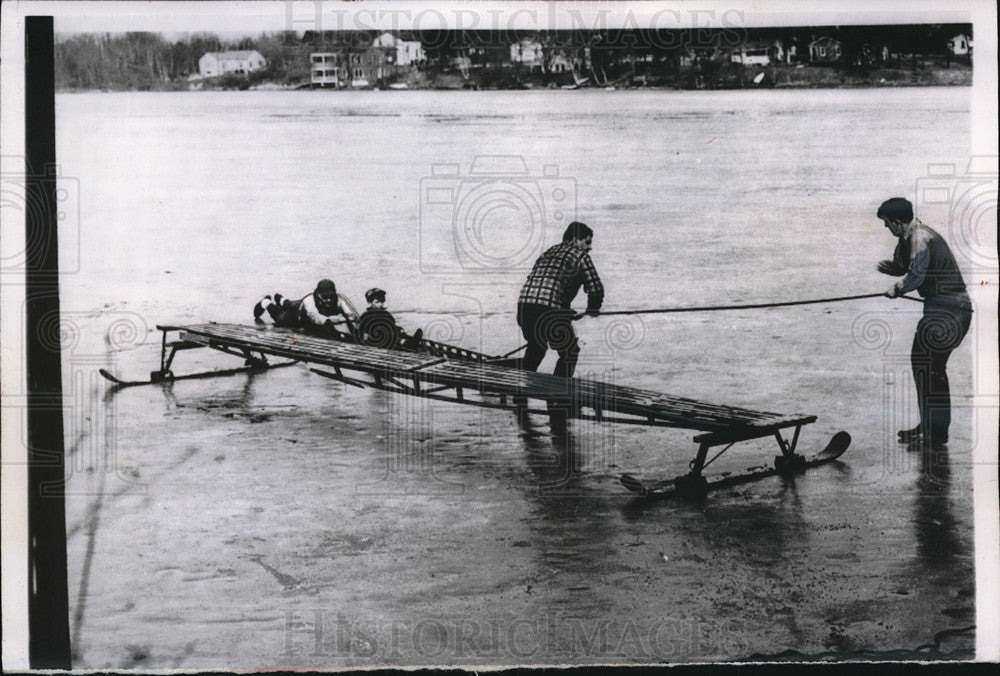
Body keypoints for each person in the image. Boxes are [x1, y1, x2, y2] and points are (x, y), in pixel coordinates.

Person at [876, 197, 973, 452]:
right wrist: (894, 270)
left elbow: (917, 275)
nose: (886, 228)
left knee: (931, 367)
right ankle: (929, 426)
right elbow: (908, 266)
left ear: (897, 222)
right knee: (922, 364)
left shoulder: (920, 238)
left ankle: (936, 434)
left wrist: (897, 287)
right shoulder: (907, 238)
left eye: (887, 224)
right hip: (940, 310)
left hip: (951, 311)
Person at [516, 221, 604, 379]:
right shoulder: (580, 256)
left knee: (536, 347)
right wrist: (593, 310)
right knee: (570, 352)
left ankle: (520, 392)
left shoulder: (548, 252)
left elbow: (550, 285)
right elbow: (596, 289)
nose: (590, 247)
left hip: (524, 308)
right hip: (549, 312)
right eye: (587, 242)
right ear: (576, 239)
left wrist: (564, 311)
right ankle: (558, 396)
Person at [253, 278, 357, 336]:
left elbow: (350, 313)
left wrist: (357, 323)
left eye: (331, 297)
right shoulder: (310, 300)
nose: (329, 300)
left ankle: (282, 300)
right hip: (296, 316)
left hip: (301, 305)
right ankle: (266, 302)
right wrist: (332, 320)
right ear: (319, 295)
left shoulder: (339, 299)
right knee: (280, 317)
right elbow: (315, 317)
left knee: (291, 303)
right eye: (325, 298)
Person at [357, 287, 423, 349]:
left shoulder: (386, 314)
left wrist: (399, 329)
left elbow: (392, 323)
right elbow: (360, 327)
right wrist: (364, 334)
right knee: (390, 337)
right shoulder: (367, 315)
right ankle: (406, 343)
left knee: (401, 333)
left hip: (388, 333)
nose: (380, 304)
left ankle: (413, 341)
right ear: (370, 302)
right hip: (377, 337)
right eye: (377, 302)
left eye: (382, 301)